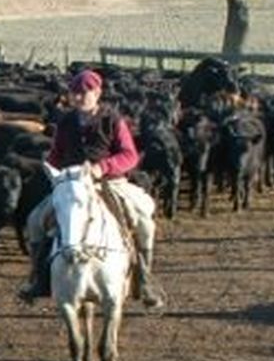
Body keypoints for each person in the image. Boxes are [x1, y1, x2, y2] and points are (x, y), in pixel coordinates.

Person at [17, 67, 166, 309]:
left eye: (83, 93)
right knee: (35, 220)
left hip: (109, 182)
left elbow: (130, 155)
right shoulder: (65, 121)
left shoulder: (113, 120)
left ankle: (145, 281)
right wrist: (50, 169)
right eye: (74, 93)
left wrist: (102, 167)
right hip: (72, 183)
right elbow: (56, 154)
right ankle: (38, 279)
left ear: (97, 93)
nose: (77, 98)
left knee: (144, 223)